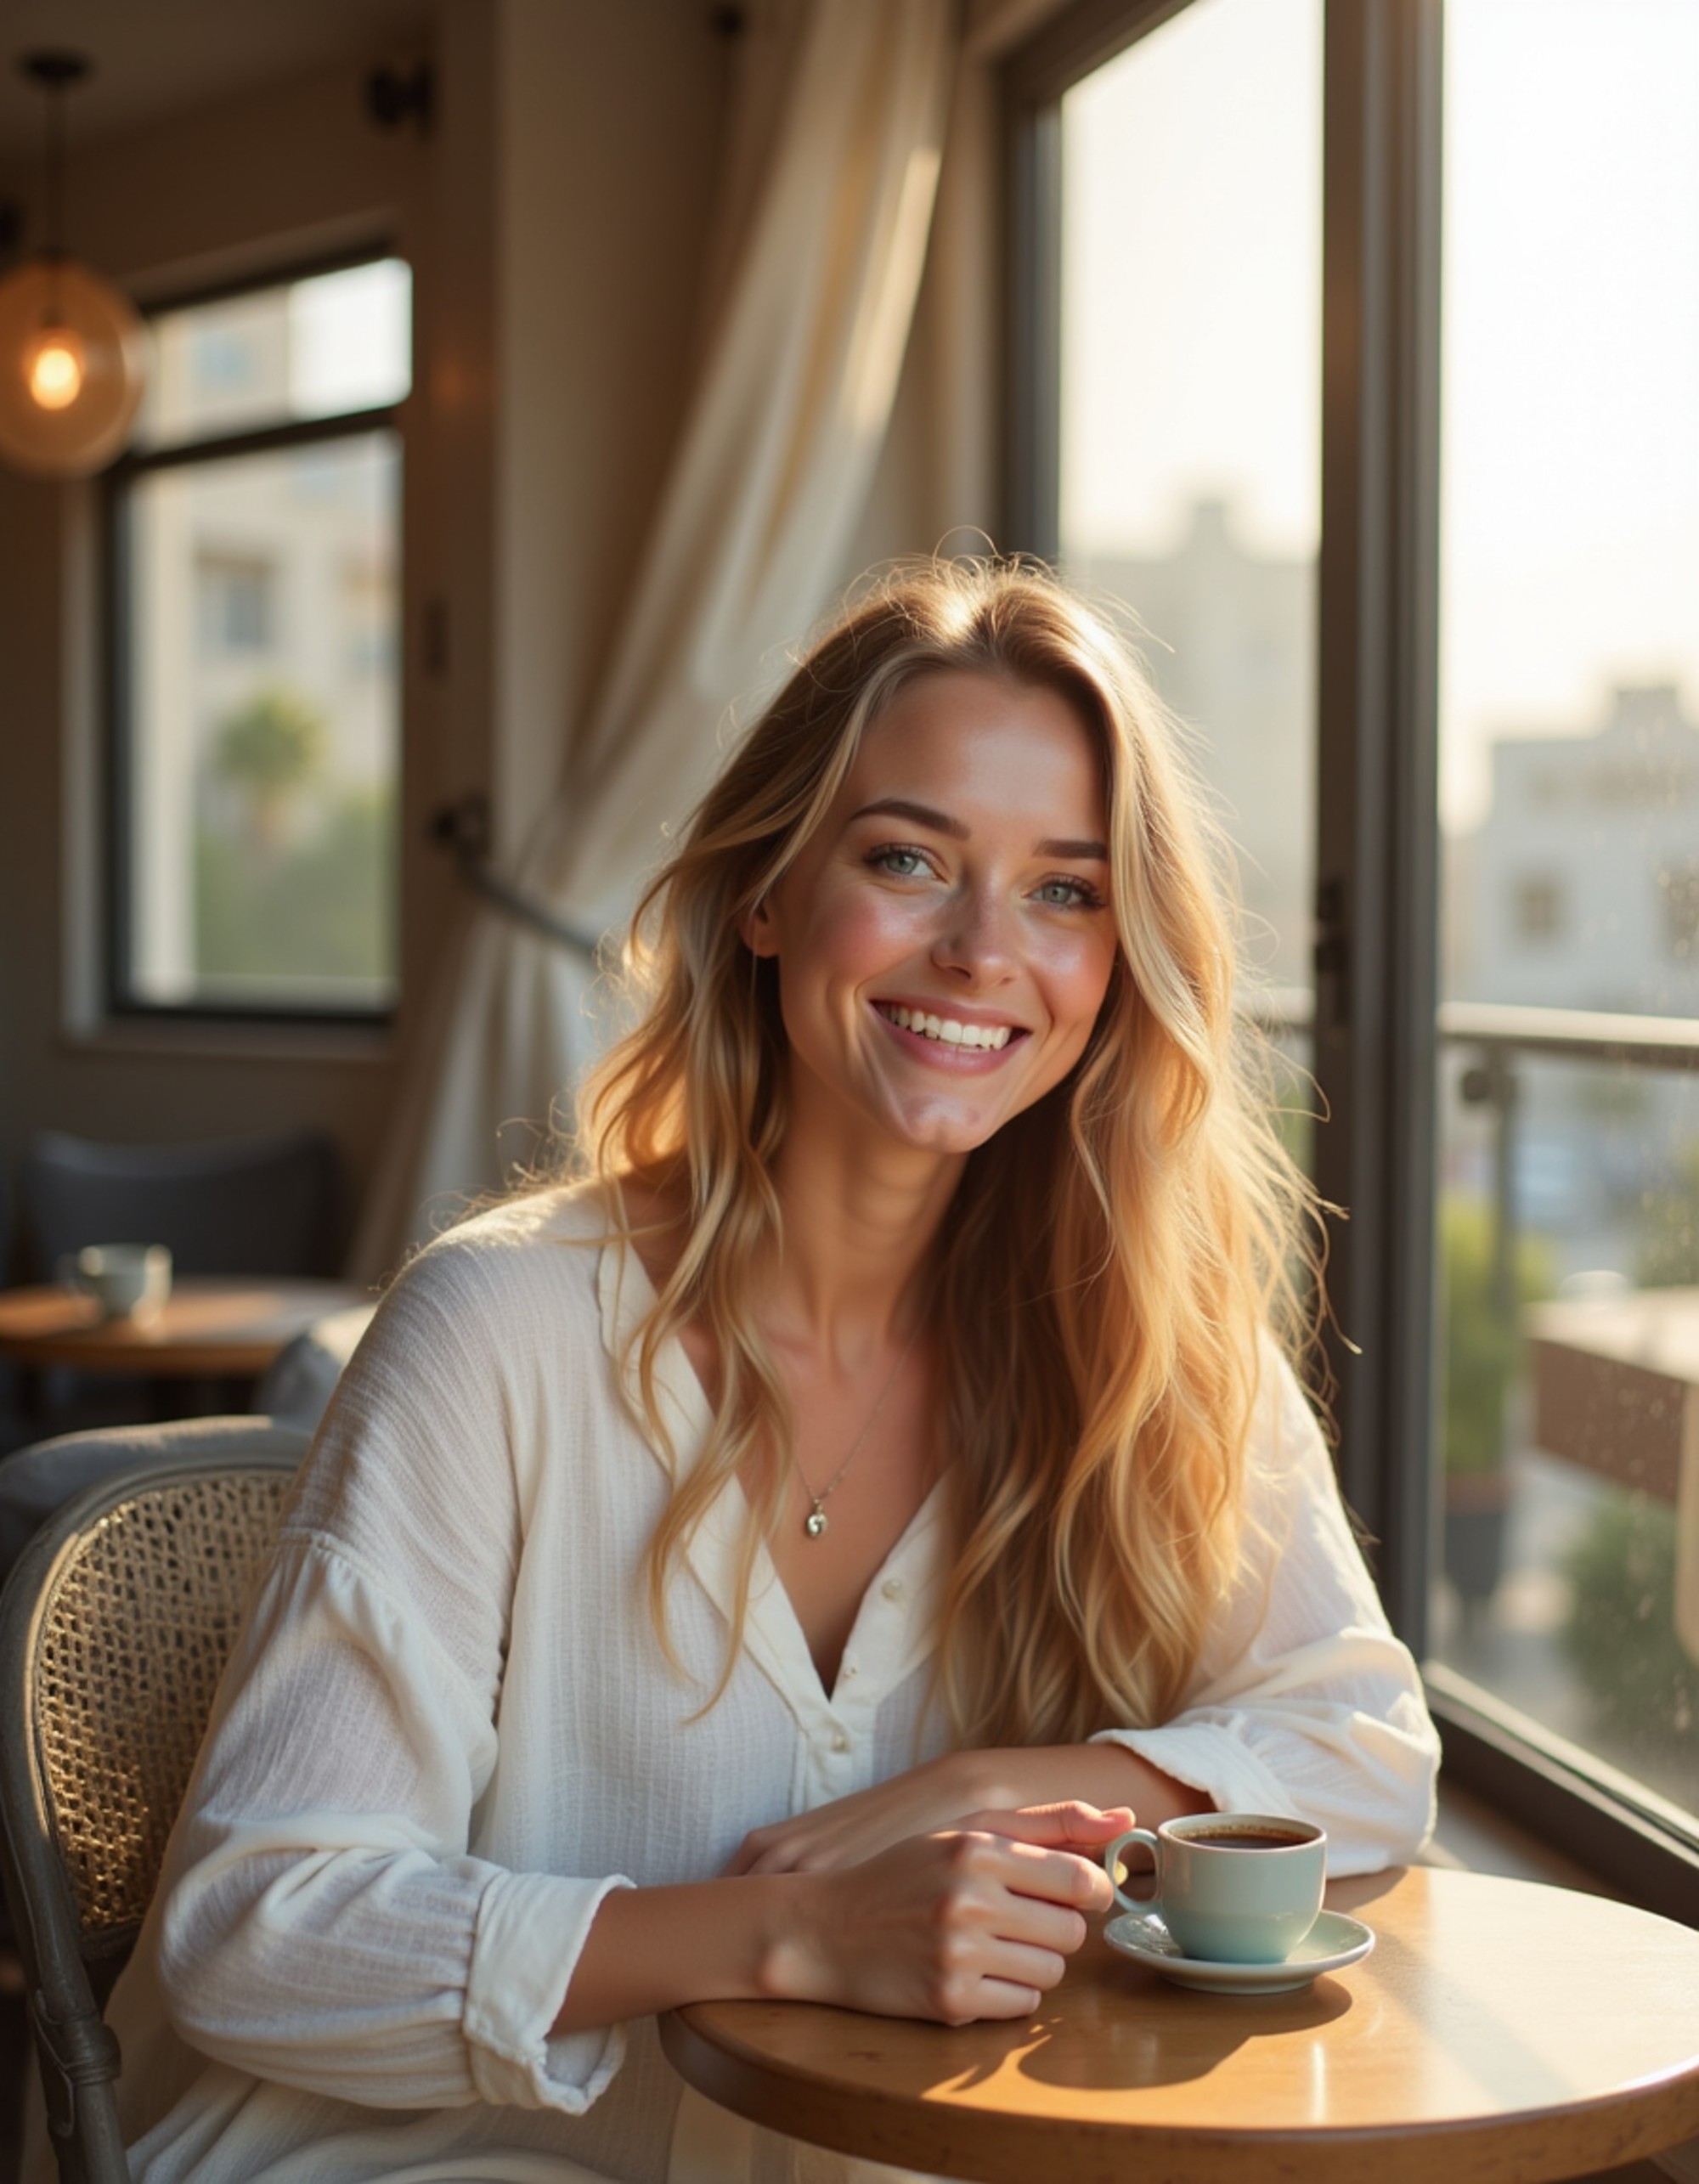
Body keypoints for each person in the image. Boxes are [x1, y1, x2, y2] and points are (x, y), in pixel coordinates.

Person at [87, 560, 1437, 2184]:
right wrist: (794, 1931)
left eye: (1066, 891)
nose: (982, 949)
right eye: (907, 859)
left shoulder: (1147, 1340)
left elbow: (1367, 1750)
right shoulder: (497, 1328)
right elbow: (261, 1932)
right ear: (768, 893)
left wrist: (1010, 1780)